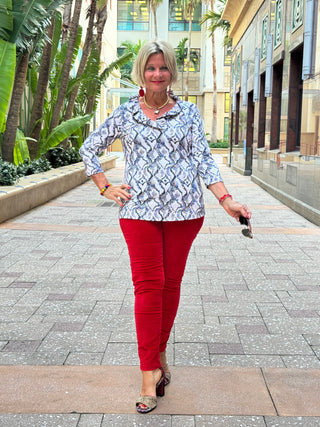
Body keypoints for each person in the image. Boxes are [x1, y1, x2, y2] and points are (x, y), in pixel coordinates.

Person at [80, 40, 251, 413]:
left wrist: (226, 201)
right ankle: (148, 376)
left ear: (171, 72)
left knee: (170, 285)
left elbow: (204, 161)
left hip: (185, 213)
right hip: (138, 212)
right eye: (150, 68)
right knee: (147, 287)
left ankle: (158, 354)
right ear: (141, 71)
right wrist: (105, 186)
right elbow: (88, 148)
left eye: (163, 68)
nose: (157, 74)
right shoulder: (126, 113)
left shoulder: (188, 113)